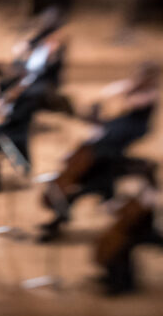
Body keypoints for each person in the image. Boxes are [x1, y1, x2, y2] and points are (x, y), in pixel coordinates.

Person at [39, 63, 158, 242]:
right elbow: (109, 94)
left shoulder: (147, 99)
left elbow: (131, 100)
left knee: (81, 192)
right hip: (104, 156)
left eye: (142, 77)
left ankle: (59, 223)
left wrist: (131, 87)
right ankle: (57, 222)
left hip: (107, 161)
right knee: (78, 193)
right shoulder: (120, 120)